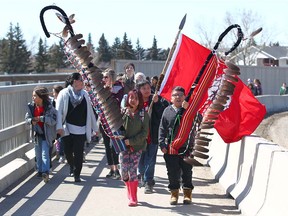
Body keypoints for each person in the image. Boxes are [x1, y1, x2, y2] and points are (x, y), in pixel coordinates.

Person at [56, 73, 98, 183]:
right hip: (67, 128)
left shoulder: (85, 94)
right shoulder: (64, 93)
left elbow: (90, 113)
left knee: (79, 152)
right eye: (81, 80)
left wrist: (95, 128)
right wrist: (59, 127)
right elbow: (59, 111)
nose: (83, 82)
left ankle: (77, 173)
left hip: (81, 128)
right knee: (68, 151)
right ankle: (71, 165)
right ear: (75, 81)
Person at [158, 86, 194, 205]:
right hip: (171, 147)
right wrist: (162, 143)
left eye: (180, 95)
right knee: (172, 172)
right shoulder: (167, 111)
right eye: (175, 95)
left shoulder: (190, 109)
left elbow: (199, 119)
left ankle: (187, 193)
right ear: (171, 98)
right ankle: (174, 193)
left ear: (184, 97)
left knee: (187, 171)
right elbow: (162, 128)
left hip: (186, 147)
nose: (178, 97)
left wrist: (189, 110)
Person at [136, 80, 169, 194]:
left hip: (152, 136)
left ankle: (148, 182)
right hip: (139, 137)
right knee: (140, 159)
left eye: (148, 88)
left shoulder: (156, 100)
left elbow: (162, 115)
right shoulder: (136, 101)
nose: (147, 91)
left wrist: (157, 103)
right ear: (139, 90)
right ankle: (141, 174)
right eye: (144, 88)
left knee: (150, 160)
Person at [120, 89, 149, 206]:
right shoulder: (122, 113)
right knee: (123, 172)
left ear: (139, 101)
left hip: (137, 147)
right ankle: (128, 189)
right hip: (123, 147)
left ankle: (133, 197)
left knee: (132, 170)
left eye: (135, 98)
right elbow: (116, 128)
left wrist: (131, 141)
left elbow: (145, 133)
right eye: (131, 97)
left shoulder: (143, 115)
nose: (132, 100)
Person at [25, 86, 57, 183]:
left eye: (35, 96)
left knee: (44, 154)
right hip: (37, 134)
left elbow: (53, 120)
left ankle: (45, 172)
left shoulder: (49, 107)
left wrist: (42, 118)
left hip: (46, 135)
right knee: (38, 154)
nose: (33, 98)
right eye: (32, 96)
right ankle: (40, 170)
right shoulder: (31, 106)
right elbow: (27, 118)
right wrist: (31, 121)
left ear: (41, 97)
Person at [101, 68, 124, 179]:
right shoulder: (102, 89)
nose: (104, 79)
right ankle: (111, 169)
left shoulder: (119, 88)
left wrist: (109, 92)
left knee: (113, 145)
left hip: (115, 120)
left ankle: (117, 169)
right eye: (103, 77)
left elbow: (117, 103)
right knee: (107, 145)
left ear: (112, 77)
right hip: (104, 120)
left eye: (106, 77)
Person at [52, 85, 65, 163]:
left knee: (61, 139)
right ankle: (58, 153)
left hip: (62, 123)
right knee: (57, 140)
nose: (53, 94)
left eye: (54, 92)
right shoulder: (52, 101)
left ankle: (61, 155)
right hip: (54, 123)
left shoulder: (63, 101)